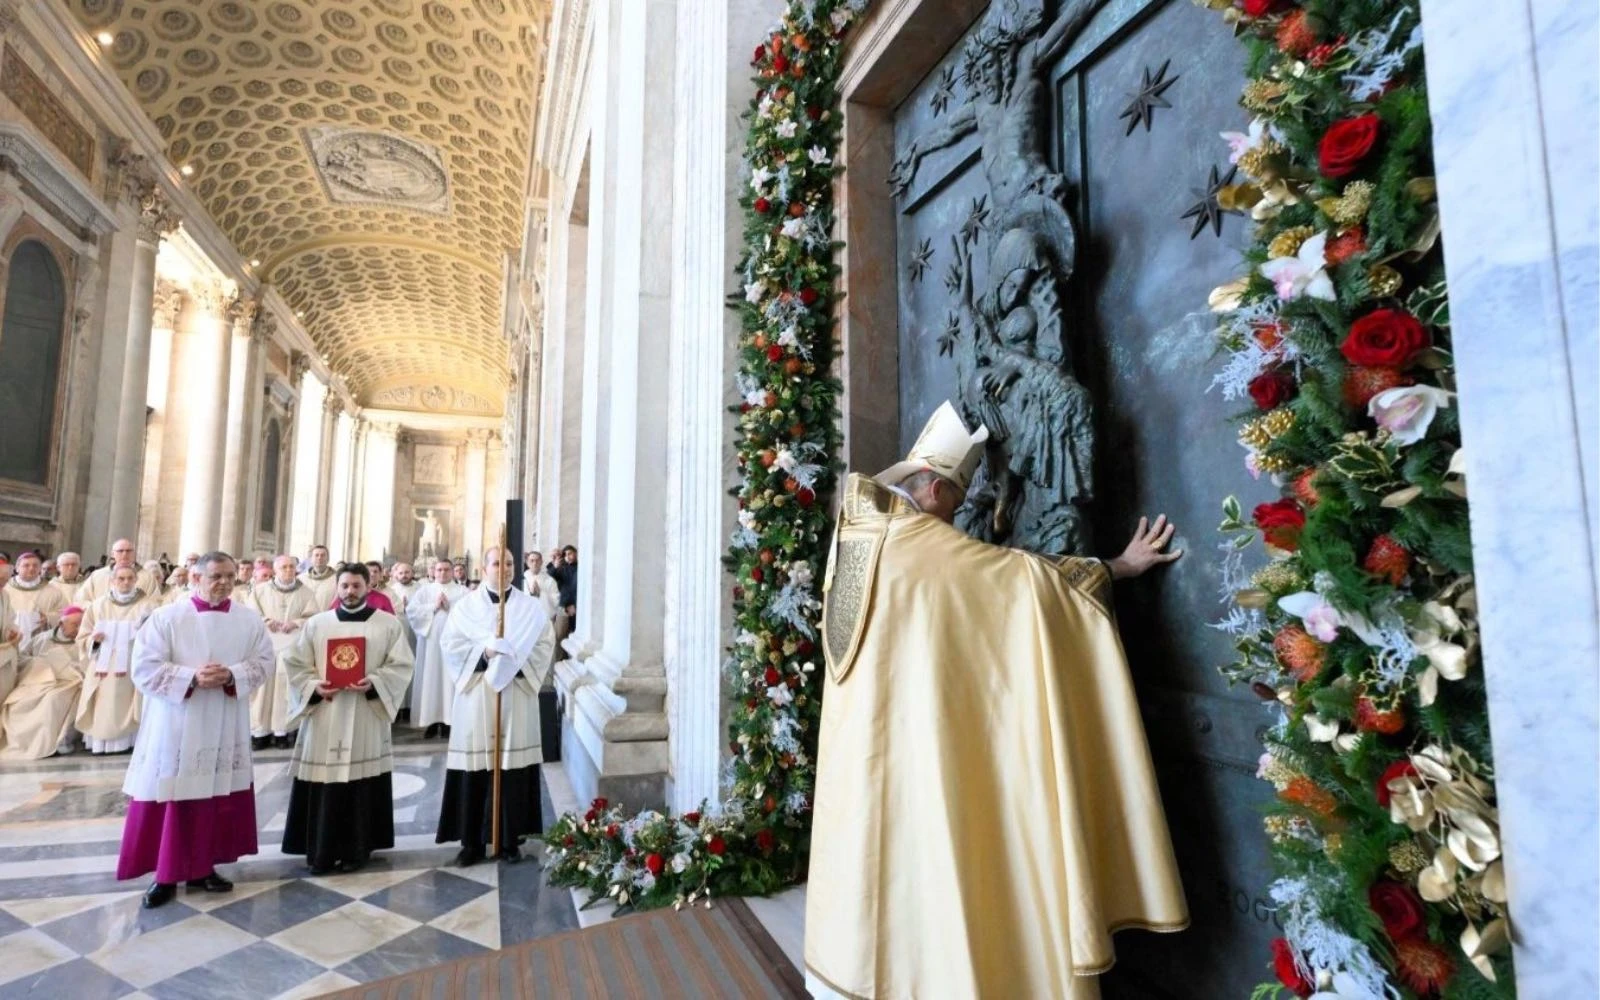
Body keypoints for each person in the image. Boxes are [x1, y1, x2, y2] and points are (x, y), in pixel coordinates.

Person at [804, 401, 1188, 1000]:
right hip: (908, 750)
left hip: (871, 754)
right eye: (955, 504)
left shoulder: (857, 531)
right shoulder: (916, 545)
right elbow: (1021, 584)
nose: (956, 520)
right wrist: (1117, 567)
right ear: (932, 489)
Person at [118, 551, 273, 909]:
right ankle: (165, 874)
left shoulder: (248, 620)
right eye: (216, 575)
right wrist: (191, 677)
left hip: (223, 716)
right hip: (177, 719)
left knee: (213, 795)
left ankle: (203, 867)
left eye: (230, 576)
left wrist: (232, 675)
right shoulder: (167, 617)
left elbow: (265, 661)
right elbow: (142, 667)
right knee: (173, 793)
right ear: (195, 578)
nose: (224, 583)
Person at [280, 563, 413, 874]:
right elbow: (296, 663)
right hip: (326, 712)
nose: (350, 592)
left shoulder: (388, 624)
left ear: (368, 587)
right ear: (336, 589)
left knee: (361, 783)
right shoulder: (317, 624)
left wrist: (376, 682)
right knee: (325, 781)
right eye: (345, 586)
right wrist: (314, 686)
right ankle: (320, 851)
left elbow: (402, 665)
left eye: (356, 586)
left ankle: (357, 850)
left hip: (366, 712)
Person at [435, 546, 556, 865]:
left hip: (515, 695)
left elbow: (545, 644)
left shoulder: (530, 608)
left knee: (511, 768)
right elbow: (450, 645)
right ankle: (472, 842)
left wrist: (516, 663)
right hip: (477, 696)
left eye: (510, 563)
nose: (504, 568)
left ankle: (509, 840)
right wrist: (485, 655)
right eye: (496, 562)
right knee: (475, 767)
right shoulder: (465, 607)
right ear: (484, 567)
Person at [78, 564, 157, 755]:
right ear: (112, 581)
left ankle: (128, 742)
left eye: (130, 578)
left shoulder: (148, 605)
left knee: (129, 700)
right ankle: (100, 742)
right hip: (102, 663)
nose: (126, 582)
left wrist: (142, 634)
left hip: (132, 662)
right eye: (121, 579)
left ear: (136, 580)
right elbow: (83, 636)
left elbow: (156, 634)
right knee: (103, 702)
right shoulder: (97, 605)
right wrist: (92, 641)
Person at [248, 555, 319, 750]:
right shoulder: (260, 590)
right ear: (276, 569)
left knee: (285, 688)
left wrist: (295, 623)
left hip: (292, 645)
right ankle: (260, 732)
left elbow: (313, 616)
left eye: (291, 567)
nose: (288, 570)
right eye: (284, 567)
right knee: (263, 688)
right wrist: (266, 621)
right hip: (265, 644)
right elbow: (251, 612)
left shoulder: (306, 592)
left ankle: (283, 731)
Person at [0, 606, 86, 759]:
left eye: (82, 624)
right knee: (16, 703)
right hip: (38, 682)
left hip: (69, 683)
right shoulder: (42, 639)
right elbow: (22, 658)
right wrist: (42, 663)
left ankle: (56, 742)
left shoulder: (85, 641)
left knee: (52, 701)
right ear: (61, 624)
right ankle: (22, 743)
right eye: (75, 625)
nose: (79, 629)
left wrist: (71, 667)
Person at [405, 559, 466, 738]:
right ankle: (431, 721)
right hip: (431, 643)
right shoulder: (425, 591)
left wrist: (450, 607)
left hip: (454, 645)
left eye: (447, 569)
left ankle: (450, 722)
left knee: (450, 680)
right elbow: (412, 611)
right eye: (439, 570)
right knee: (430, 679)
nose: (443, 573)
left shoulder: (462, 591)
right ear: (434, 571)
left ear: (453, 571)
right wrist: (434, 606)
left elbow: (469, 614)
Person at [5, 551, 68, 641]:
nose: (31, 568)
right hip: (8, 637)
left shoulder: (53, 591)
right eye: (26, 565)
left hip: (40, 639)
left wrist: (49, 618)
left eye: (35, 565)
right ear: (17, 568)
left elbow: (64, 613)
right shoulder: (5, 588)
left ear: (40, 569)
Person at [75, 538, 158, 605]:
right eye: (120, 551)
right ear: (112, 554)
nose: (125, 554)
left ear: (134, 553)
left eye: (129, 551)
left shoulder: (147, 577)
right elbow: (81, 600)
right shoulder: (97, 576)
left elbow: (156, 601)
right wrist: (97, 609)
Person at [299, 545, 338, 609]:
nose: (319, 558)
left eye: (323, 555)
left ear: (328, 559)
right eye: (316, 555)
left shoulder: (337, 579)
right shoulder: (301, 579)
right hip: (305, 617)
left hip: (326, 617)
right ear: (311, 559)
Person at [523, 551, 560, 618]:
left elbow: (556, 601)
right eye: (532, 561)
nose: (535, 563)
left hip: (543, 618)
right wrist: (530, 594)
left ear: (541, 562)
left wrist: (541, 594)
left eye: (537, 560)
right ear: (527, 563)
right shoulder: (522, 579)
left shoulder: (550, 580)